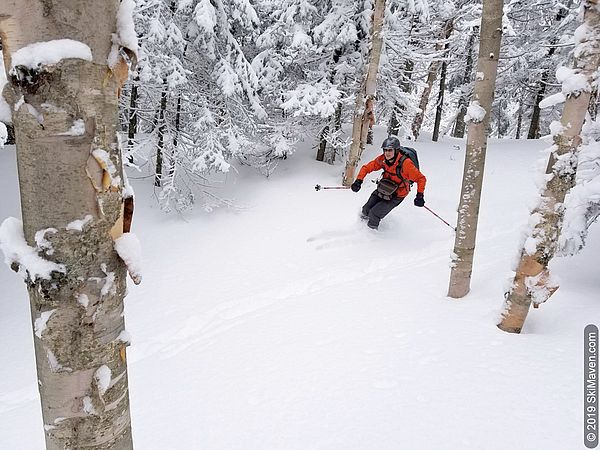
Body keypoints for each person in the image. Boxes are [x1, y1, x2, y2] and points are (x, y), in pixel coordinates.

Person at [351, 136, 426, 230]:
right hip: (383, 188)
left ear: (396, 150)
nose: (387, 153)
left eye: (390, 150)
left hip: (397, 194)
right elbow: (367, 168)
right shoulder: (383, 159)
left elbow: (421, 178)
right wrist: (359, 181)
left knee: (374, 214)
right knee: (366, 210)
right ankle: (359, 229)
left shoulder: (406, 164)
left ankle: (370, 236)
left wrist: (420, 195)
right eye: (385, 150)